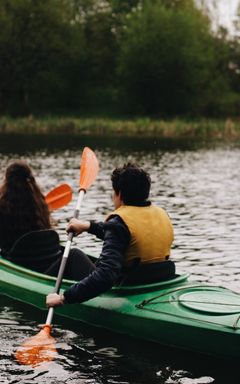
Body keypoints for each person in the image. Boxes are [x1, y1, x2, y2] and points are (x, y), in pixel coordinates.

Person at [46, 162, 175, 308]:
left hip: (128, 286)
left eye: (113, 192)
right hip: (159, 280)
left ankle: (42, 284)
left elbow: (106, 276)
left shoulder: (120, 222)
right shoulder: (161, 214)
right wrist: (88, 226)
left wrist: (64, 298)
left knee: (74, 255)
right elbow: (130, 236)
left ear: (119, 194)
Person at [0, 160, 85, 279]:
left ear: (7, 182)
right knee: (75, 254)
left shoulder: (2, 208)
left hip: (21, 269)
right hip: (48, 267)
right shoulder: (41, 206)